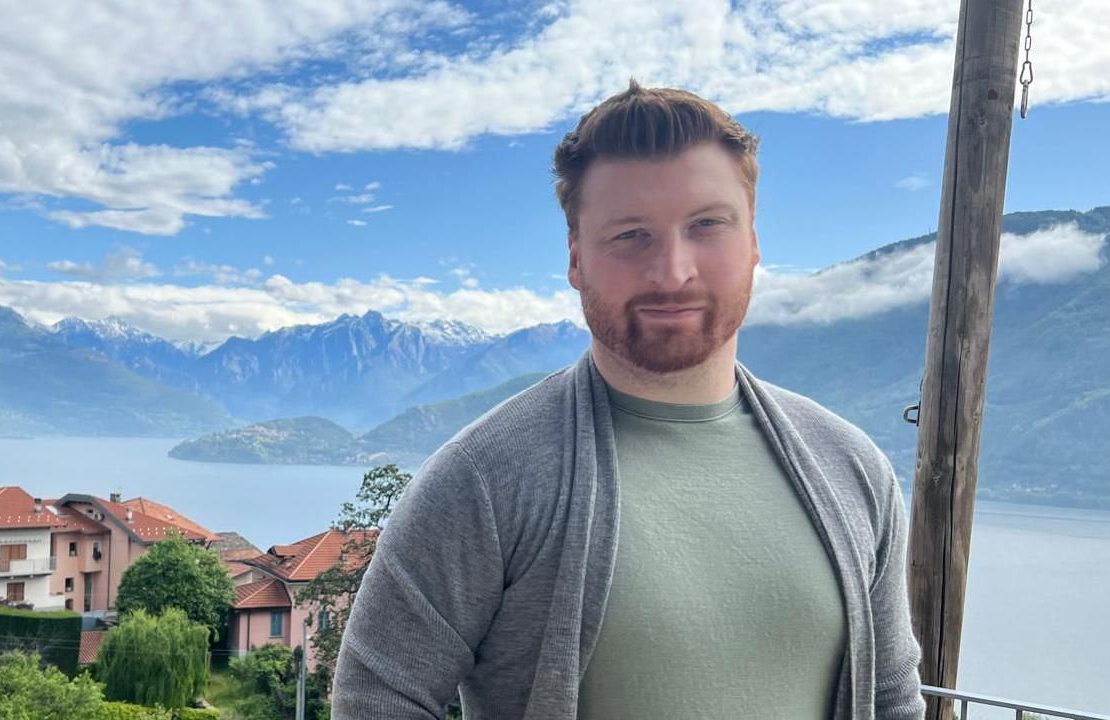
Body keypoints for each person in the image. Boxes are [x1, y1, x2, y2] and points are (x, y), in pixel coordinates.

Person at [331, 80, 925, 720]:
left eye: (706, 225)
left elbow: (892, 697)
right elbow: (377, 697)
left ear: (753, 242)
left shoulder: (851, 468)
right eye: (630, 235)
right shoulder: (486, 477)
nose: (672, 271)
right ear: (576, 258)